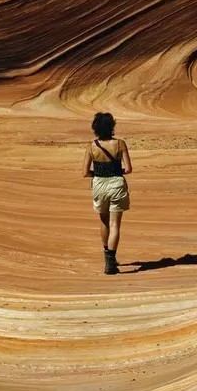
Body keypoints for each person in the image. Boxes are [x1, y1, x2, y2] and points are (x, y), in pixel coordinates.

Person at [84, 112, 131, 275]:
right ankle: (111, 261)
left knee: (104, 222)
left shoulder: (92, 145)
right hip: (116, 184)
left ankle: (107, 257)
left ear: (95, 128)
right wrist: (115, 170)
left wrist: (99, 173)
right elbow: (129, 169)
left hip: (99, 184)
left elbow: (85, 172)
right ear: (112, 127)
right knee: (115, 225)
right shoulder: (120, 144)